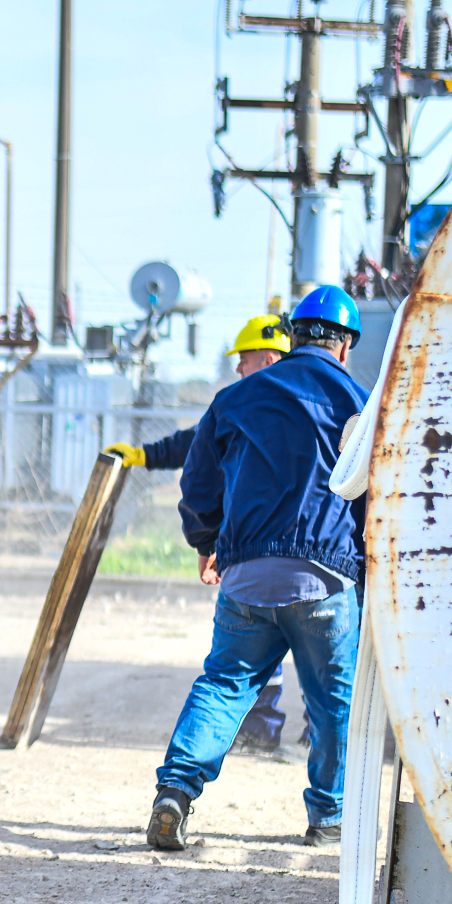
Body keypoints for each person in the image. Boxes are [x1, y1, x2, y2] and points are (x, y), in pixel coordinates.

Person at [144, 286, 367, 851]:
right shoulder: (362, 405)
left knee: (223, 684)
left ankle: (175, 791)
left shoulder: (236, 397)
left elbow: (198, 481)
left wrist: (206, 540)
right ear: (345, 347)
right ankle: (328, 819)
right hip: (325, 579)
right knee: (332, 703)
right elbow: (377, 495)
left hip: (245, 575)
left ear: (293, 337)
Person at [106, 314, 296, 752]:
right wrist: (144, 455)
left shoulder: (252, 406)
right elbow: (199, 442)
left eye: (244, 358)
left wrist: (205, 540)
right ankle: (294, 735)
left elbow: (200, 464)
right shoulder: (310, 403)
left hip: (259, 551)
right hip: (318, 555)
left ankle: (259, 730)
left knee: (252, 649)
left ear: (268, 359)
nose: (238, 367)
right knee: (318, 658)